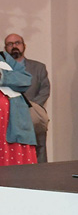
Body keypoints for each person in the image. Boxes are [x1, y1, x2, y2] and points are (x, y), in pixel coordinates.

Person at [5, 33, 50, 162]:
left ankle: (40, 180)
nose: (14, 46)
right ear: (5, 48)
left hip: (33, 116)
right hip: (9, 119)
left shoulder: (39, 67)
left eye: (17, 43)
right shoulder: (3, 69)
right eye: (10, 44)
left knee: (38, 151)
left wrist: (29, 108)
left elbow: (45, 90)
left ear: (24, 46)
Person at [0, 50, 36, 165]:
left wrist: (2, 76)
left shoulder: (3, 56)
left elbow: (26, 79)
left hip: (13, 126)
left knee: (16, 172)